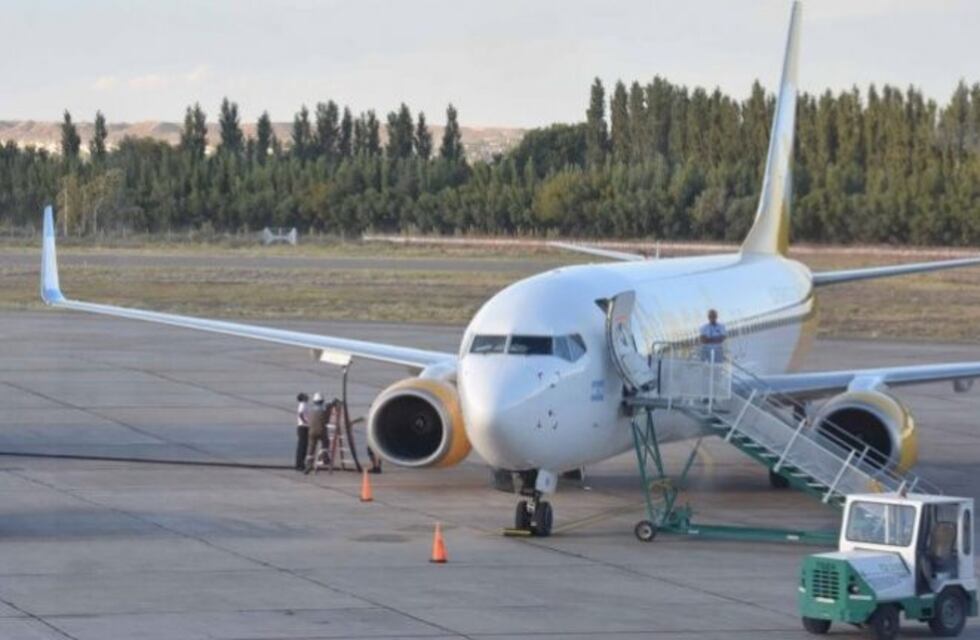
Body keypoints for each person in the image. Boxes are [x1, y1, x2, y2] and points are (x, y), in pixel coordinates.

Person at [304, 393, 328, 473]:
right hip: (321, 430)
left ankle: (309, 464)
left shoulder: (311, 411)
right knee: (325, 441)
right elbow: (326, 420)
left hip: (311, 431)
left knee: (311, 448)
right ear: (322, 401)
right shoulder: (323, 410)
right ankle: (324, 457)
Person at [294, 392, 310, 471]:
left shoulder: (304, 404)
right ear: (303, 398)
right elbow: (300, 414)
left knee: (303, 446)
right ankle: (299, 464)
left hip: (303, 426)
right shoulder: (303, 404)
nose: (307, 397)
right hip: (303, 427)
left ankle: (301, 463)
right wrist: (305, 421)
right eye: (305, 396)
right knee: (302, 446)